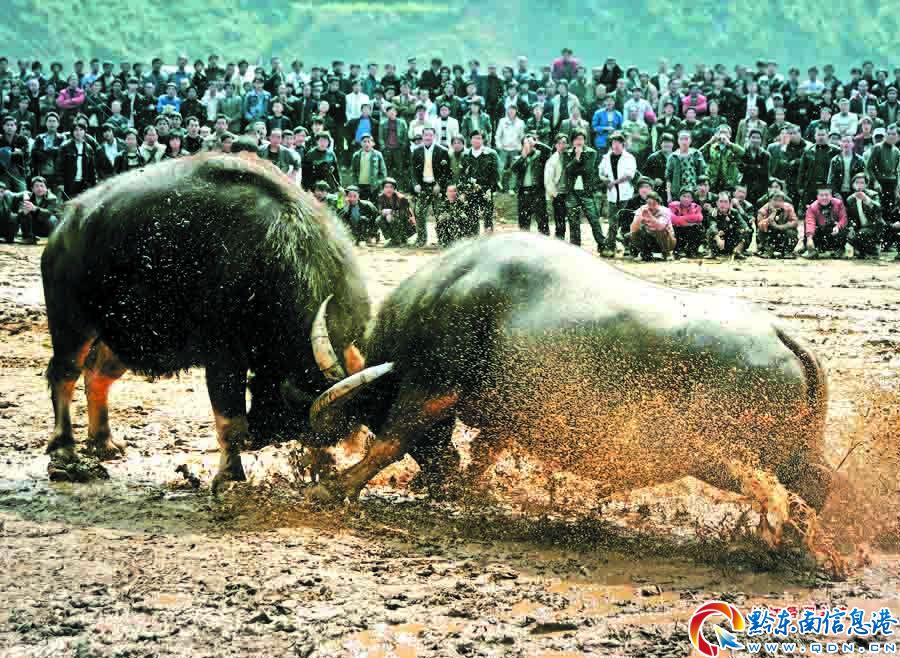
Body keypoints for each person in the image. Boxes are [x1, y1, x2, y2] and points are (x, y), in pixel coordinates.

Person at [562, 130, 603, 250]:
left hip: (586, 191)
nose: (579, 142)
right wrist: (577, 158)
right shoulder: (567, 153)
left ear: (585, 140)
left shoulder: (591, 152)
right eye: (577, 139)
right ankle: (575, 247)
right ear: (573, 141)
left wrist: (575, 162)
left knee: (593, 219)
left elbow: (587, 170)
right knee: (573, 221)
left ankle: (602, 244)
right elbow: (567, 170)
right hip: (572, 191)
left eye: (581, 139)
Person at [410, 127, 451, 247]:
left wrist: (439, 184)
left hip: (436, 187)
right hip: (423, 186)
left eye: (430, 135)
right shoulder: (416, 151)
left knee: (440, 213)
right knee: (419, 212)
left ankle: (443, 239)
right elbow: (413, 170)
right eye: (425, 135)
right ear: (422, 137)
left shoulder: (442, 151)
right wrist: (415, 184)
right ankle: (421, 239)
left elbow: (446, 172)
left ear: (434, 137)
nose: (427, 137)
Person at [598, 132, 637, 256]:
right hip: (612, 195)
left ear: (623, 144)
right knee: (612, 222)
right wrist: (606, 180)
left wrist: (614, 182)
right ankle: (610, 246)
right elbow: (601, 173)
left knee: (626, 222)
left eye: (618, 143)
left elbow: (629, 175)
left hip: (626, 194)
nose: (615, 145)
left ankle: (628, 247)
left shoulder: (629, 157)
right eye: (613, 143)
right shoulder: (606, 157)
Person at [509, 133, 551, 234]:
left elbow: (549, 151)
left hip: (538, 191)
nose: (528, 146)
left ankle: (545, 243)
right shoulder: (518, 158)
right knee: (523, 221)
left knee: (542, 221)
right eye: (525, 144)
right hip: (523, 193)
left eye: (530, 143)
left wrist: (535, 144)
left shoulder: (540, 156)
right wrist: (523, 156)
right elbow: (513, 168)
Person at [460, 130, 500, 232]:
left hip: (486, 189)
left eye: (479, 138)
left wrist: (492, 189)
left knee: (488, 216)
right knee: (471, 216)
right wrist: (464, 189)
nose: (476, 140)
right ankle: (474, 239)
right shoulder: (465, 155)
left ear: (483, 140)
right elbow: (462, 174)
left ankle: (488, 241)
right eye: (474, 138)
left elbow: (495, 174)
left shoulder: (491, 154)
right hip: (471, 190)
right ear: (470, 140)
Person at [2, 175, 59, 244]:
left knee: (52, 219)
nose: (39, 189)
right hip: (34, 224)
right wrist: (23, 212)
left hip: (46, 225)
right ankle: (28, 237)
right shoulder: (28, 196)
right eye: (37, 186)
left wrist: (35, 208)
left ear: (46, 188)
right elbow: (20, 212)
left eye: (42, 186)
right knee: (21, 215)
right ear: (32, 189)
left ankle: (52, 238)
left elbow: (48, 213)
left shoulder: (52, 198)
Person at [844, 173, 883, 259]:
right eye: (857, 182)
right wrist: (851, 228)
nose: (859, 185)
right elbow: (849, 216)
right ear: (853, 185)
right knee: (847, 234)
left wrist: (866, 199)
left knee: (862, 234)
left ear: (866, 184)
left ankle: (873, 250)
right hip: (859, 227)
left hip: (873, 226)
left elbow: (879, 208)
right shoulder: (850, 199)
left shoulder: (873, 194)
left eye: (862, 183)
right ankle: (861, 250)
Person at [803, 186, 849, 259]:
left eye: (826, 195)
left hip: (834, 228)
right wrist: (809, 238)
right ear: (817, 197)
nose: (824, 197)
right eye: (821, 195)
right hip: (820, 230)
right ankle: (813, 249)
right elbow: (810, 223)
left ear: (831, 196)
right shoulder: (812, 207)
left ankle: (839, 249)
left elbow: (844, 219)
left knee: (844, 230)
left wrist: (838, 226)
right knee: (808, 227)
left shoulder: (839, 203)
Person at [629, 191, 676, 261]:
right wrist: (639, 217)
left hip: (667, 242)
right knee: (633, 233)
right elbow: (633, 229)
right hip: (649, 240)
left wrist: (650, 216)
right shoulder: (642, 209)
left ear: (658, 202)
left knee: (662, 231)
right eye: (649, 203)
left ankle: (667, 254)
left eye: (654, 203)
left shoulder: (665, 211)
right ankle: (645, 253)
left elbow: (660, 227)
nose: (651, 206)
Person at [705, 191, 751, 259]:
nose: (723, 204)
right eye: (721, 201)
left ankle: (738, 251)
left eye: (726, 202)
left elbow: (744, 225)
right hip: (719, 239)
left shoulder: (734, 212)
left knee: (746, 230)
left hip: (731, 239)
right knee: (710, 231)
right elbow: (712, 226)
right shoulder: (713, 213)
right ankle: (713, 253)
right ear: (717, 203)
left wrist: (740, 244)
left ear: (729, 204)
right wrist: (718, 238)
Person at [665, 130, 707, 204]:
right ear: (678, 141)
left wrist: (702, 191)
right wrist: (669, 195)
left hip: (695, 192)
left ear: (690, 140)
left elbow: (703, 173)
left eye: (686, 139)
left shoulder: (696, 154)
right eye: (681, 139)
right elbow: (668, 177)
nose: (684, 142)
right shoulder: (673, 157)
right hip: (678, 193)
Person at [756, 190, 800, 258]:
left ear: (783, 201)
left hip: (784, 234)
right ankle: (768, 250)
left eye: (780, 201)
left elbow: (795, 222)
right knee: (762, 231)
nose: (777, 203)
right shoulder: (763, 210)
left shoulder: (788, 207)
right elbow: (761, 226)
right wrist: (772, 215)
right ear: (770, 200)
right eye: (775, 200)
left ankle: (787, 251)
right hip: (769, 236)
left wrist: (781, 227)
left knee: (792, 232)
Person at [58, 123, 97, 199]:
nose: (78, 132)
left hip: (83, 183)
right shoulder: (65, 146)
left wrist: (93, 183)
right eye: (76, 130)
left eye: (81, 130)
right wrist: (60, 183)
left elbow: (92, 169)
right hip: (69, 183)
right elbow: (59, 166)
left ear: (85, 132)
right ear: (72, 132)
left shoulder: (89, 148)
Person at [376, 177, 416, 246]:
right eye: (386, 187)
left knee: (391, 218)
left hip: (407, 224)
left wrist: (390, 212)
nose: (389, 189)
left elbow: (404, 215)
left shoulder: (401, 198)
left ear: (394, 189)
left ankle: (402, 238)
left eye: (391, 187)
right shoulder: (381, 197)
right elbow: (379, 211)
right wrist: (383, 212)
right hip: (394, 219)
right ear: (383, 189)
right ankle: (394, 238)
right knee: (378, 220)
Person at [543, 133, 569, 239]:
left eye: (564, 143)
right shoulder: (552, 160)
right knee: (560, 220)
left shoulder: (569, 156)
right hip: (558, 194)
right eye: (560, 143)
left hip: (569, 193)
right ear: (555, 145)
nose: (562, 145)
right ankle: (559, 240)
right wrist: (555, 194)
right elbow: (548, 181)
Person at [669, 187, 705, 258]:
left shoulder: (696, 206)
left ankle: (692, 250)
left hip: (690, 231)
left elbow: (700, 218)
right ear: (679, 197)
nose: (686, 199)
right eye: (684, 196)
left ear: (692, 199)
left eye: (688, 197)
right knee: (673, 228)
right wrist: (689, 222)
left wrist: (682, 219)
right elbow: (672, 219)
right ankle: (677, 251)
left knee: (698, 227)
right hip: (678, 232)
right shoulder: (673, 205)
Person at [349, 133, 387, 201]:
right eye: (364, 141)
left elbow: (383, 172)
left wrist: (378, 183)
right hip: (360, 185)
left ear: (372, 143)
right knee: (362, 205)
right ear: (361, 143)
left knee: (374, 205)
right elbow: (353, 171)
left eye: (369, 141)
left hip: (373, 186)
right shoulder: (356, 155)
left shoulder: (378, 155)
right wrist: (355, 183)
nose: (366, 144)